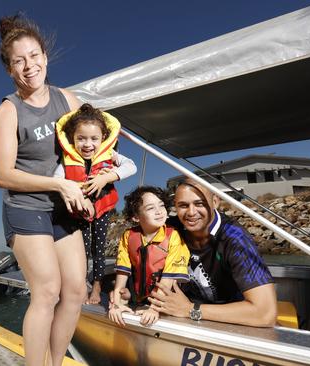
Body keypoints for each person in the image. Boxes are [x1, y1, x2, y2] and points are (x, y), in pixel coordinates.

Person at [0, 14, 88, 366]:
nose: (29, 66)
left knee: (75, 290)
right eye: (19, 61)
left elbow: (89, 146)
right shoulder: (8, 111)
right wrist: (59, 183)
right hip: (26, 207)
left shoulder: (68, 99)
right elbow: (3, 174)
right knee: (47, 291)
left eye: (33, 56)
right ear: (10, 70)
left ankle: (55, 362)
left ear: (45, 56)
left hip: (64, 209)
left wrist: (101, 170)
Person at [148, 178, 277, 327]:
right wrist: (122, 291)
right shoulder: (170, 228)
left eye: (199, 203)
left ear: (215, 202)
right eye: (183, 205)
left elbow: (265, 313)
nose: (191, 212)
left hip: (235, 320)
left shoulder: (235, 238)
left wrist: (190, 309)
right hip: (184, 316)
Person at [54, 103, 136, 304]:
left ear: (103, 138)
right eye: (81, 138)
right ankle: (81, 284)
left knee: (98, 250)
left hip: (103, 209)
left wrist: (106, 178)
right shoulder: (66, 160)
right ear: (72, 138)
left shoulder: (110, 155)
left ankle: (97, 286)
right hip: (78, 213)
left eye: (94, 139)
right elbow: (57, 180)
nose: (87, 144)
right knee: (81, 250)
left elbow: (130, 166)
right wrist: (73, 195)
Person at [107, 186, 190, 326]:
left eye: (162, 205)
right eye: (151, 208)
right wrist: (116, 303)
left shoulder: (173, 237)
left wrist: (154, 309)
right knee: (120, 294)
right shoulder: (128, 236)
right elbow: (122, 274)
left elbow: (168, 279)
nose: (159, 212)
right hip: (140, 297)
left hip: (166, 299)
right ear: (136, 217)